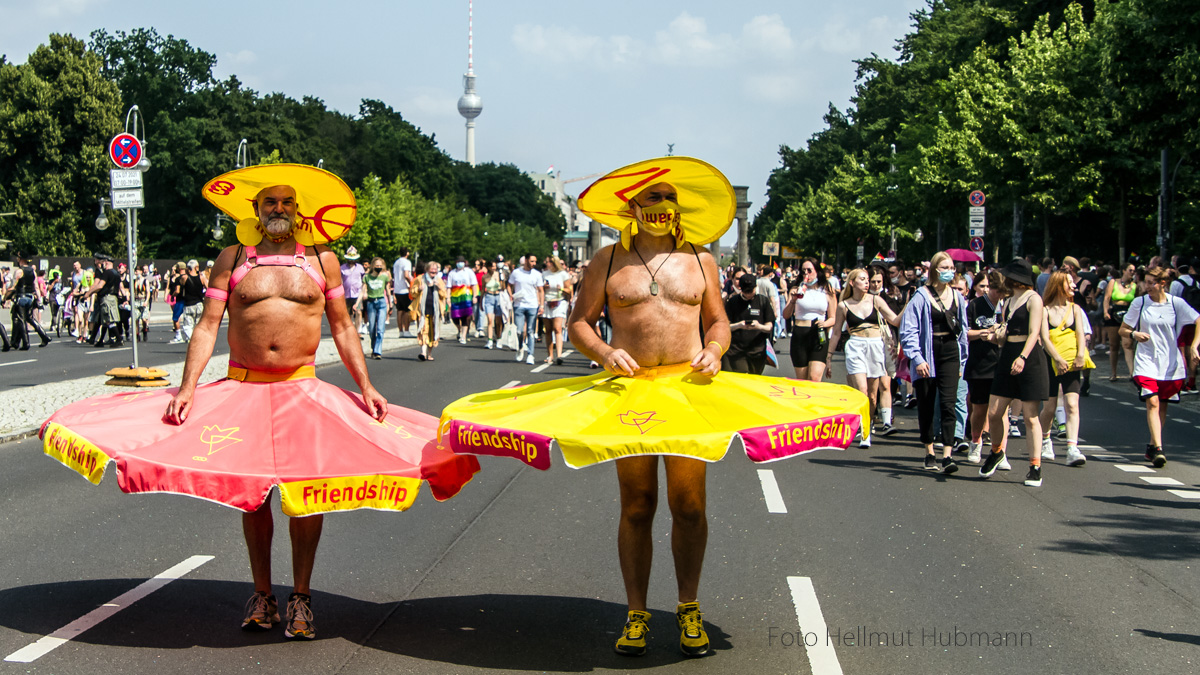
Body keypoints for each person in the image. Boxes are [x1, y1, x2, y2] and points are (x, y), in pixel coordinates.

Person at [439, 157, 869, 658]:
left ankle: (689, 608)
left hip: (688, 392)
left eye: (669, 198)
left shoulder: (702, 260)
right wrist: (603, 352)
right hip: (631, 392)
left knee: (689, 507)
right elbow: (580, 322)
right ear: (632, 206)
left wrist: (715, 348)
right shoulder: (606, 261)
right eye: (652, 198)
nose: (662, 207)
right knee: (638, 505)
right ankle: (636, 614)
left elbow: (718, 322)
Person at [979, 259, 1050, 487]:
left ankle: (1035, 466)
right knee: (994, 412)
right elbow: (1006, 329)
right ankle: (997, 451)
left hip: (1028, 357)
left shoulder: (1034, 299)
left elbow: (1034, 332)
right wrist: (995, 335)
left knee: (1030, 416)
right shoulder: (1008, 300)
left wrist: (1022, 357)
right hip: (1007, 352)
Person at [1120, 266, 1200, 468]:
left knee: (1162, 405)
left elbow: (1198, 319)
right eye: (1145, 282)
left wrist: (1194, 346)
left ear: (1162, 283)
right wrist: (1134, 335)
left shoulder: (1175, 303)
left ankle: (1151, 445)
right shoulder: (1140, 303)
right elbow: (1124, 328)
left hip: (1170, 363)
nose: (1147, 286)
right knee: (1153, 403)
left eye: (1150, 283)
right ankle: (1158, 450)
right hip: (1146, 361)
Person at [899, 251, 969, 473]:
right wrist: (917, 358)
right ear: (935, 271)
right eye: (945, 268)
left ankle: (948, 454)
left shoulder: (958, 298)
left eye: (952, 268)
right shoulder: (921, 296)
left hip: (950, 352)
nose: (949, 272)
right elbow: (908, 330)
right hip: (928, 353)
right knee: (927, 404)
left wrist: (963, 361)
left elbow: (963, 331)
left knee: (949, 403)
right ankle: (929, 451)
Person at [829, 268, 901, 447]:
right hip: (855, 346)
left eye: (868, 279)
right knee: (861, 390)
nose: (867, 283)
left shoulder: (876, 300)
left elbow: (895, 320)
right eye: (862, 279)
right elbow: (837, 333)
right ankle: (865, 433)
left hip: (875, 346)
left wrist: (910, 304)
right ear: (852, 283)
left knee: (872, 395)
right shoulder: (843, 305)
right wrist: (828, 357)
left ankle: (868, 423)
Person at [1037, 271, 1090, 467]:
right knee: (1049, 408)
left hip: (1072, 362)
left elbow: (1080, 335)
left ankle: (1072, 447)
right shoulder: (1045, 310)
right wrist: (1057, 359)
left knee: (1072, 404)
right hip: (1051, 363)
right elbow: (1044, 339)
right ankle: (1045, 439)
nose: (1073, 287)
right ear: (1059, 285)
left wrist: (1080, 356)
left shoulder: (1075, 309)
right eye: (1069, 283)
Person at [963, 271, 1007, 467]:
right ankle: (975, 442)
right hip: (980, 363)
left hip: (1002, 363)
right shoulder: (975, 305)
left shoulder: (1009, 306)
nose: (1000, 295)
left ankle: (1000, 451)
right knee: (980, 408)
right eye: (997, 290)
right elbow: (964, 332)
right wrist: (982, 333)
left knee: (1001, 411)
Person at [781, 258, 837, 382]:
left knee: (814, 378)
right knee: (802, 380)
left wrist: (825, 323)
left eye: (809, 270)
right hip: (800, 334)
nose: (806, 273)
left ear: (817, 271)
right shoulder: (796, 289)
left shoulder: (827, 290)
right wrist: (793, 300)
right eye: (803, 271)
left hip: (818, 334)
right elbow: (785, 315)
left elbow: (833, 318)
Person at [723, 272, 776, 375]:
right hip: (737, 350)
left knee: (754, 378)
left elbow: (769, 326)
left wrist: (758, 326)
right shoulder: (733, 302)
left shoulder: (762, 301)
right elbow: (725, 326)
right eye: (745, 291)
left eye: (751, 291)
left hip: (757, 351)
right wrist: (739, 325)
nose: (748, 294)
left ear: (756, 287)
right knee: (742, 375)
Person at [3, 250, 52, 350]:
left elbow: (12, 287)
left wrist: (5, 298)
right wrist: (38, 299)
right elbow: (36, 287)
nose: (17, 259)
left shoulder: (19, 271)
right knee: (30, 319)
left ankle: (26, 343)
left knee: (21, 320)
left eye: (18, 258)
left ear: (21, 259)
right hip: (30, 297)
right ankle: (44, 336)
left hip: (21, 297)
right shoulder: (32, 271)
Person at [1102, 263, 1138, 381]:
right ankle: (1113, 372)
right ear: (1123, 271)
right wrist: (1105, 312)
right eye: (1130, 270)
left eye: (1134, 271)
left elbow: (1137, 301)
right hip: (1114, 312)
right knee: (1114, 344)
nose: (1132, 272)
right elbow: (1107, 297)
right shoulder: (1114, 282)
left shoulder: (1135, 286)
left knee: (1128, 343)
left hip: (1128, 313)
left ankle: (1132, 373)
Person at [80, 254, 123, 347]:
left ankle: (119, 339)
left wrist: (88, 294)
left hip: (107, 298)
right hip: (114, 298)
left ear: (107, 262)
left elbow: (99, 285)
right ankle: (100, 341)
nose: (103, 264)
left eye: (104, 262)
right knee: (105, 320)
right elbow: (120, 287)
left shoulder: (107, 273)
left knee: (108, 320)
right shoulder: (116, 273)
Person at [507, 253, 544, 366]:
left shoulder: (537, 274)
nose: (534, 264)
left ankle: (531, 355)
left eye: (535, 261)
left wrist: (541, 305)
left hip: (532, 305)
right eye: (532, 261)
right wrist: (511, 295)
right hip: (519, 304)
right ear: (526, 261)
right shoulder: (516, 272)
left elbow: (541, 290)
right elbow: (509, 285)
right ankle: (520, 347)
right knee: (519, 331)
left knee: (530, 331)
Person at [411, 260, 446, 361]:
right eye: (431, 271)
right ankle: (423, 352)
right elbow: (412, 293)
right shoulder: (420, 279)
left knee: (433, 331)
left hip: (435, 311)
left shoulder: (439, 280)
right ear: (427, 270)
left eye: (435, 272)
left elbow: (444, 295)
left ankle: (429, 354)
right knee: (423, 330)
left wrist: (439, 287)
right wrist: (418, 289)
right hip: (422, 310)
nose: (433, 273)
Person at [542, 256, 573, 365]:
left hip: (559, 302)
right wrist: (544, 287)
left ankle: (559, 355)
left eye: (549, 262)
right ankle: (550, 355)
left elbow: (569, 289)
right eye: (547, 262)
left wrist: (560, 288)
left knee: (557, 328)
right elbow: (540, 289)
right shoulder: (544, 274)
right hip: (547, 301)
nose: (547, 263)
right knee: (548, 329)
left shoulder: (563, 274)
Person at [361, 257, 392, 360]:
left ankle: (377, 351)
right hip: (371, 303)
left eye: (380, 266)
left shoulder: (384, 276)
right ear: (373, 266)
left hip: (382, 302)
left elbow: (387, 291)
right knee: (372, 328)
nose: (378, 267)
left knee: (380, 329)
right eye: (377, 265)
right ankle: (374, 347)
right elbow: (363, 290)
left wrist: (390, 303)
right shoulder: (367, 277)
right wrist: (361, 298)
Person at [447, 256, 478, 344]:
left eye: (462, 261)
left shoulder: (469, 272)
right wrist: (448, 298)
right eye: (459, 261)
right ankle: (459, 329)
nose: (460, 263)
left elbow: (474, 284)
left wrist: (475, 296)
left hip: (466, 296)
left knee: (466, 316)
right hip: (455, 296)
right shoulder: (452, 273)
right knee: (455, 316)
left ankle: (463, 336)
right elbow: (449, 286)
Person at [177, 260, 206, 342]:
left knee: (188, 326)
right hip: (199, 304)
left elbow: (181, 285)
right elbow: (208, 287)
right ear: (196, 267)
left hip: (189, 304)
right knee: (198, 325)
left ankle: (193, 340)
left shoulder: (185, 277)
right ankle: (199, 340)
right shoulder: (201, 278)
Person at [339, 246, 365, 337]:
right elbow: (340, 281)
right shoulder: (342, 268)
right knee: (347, 313)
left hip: (357, 294)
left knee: (358, 312)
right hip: (346, 294)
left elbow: (363, 281)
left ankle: (358, 331)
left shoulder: (360, 268)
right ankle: (349, 331)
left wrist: (364, 292)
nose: (351, 260)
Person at [480, 260, 505, 349]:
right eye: (492, 266)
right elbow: (483, 289)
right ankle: (490, 340)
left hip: (498, 297)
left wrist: (502, 280)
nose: (493, 268)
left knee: (498, 321)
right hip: (489, 297)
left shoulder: (499, 275)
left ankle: (499, 338)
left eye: (494, 266)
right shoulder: (485, 277)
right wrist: (481, 302)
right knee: (490, 320)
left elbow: (503, 287)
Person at [392, 247, 414, 337]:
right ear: (407, 253)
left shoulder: (396, 262)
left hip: (397, 288)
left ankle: (400, 331)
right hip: (404, 288)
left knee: (399, 311)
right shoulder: (407, 262)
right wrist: (411, 283)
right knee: (406, 310)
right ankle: (406, 330)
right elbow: (406, 275)